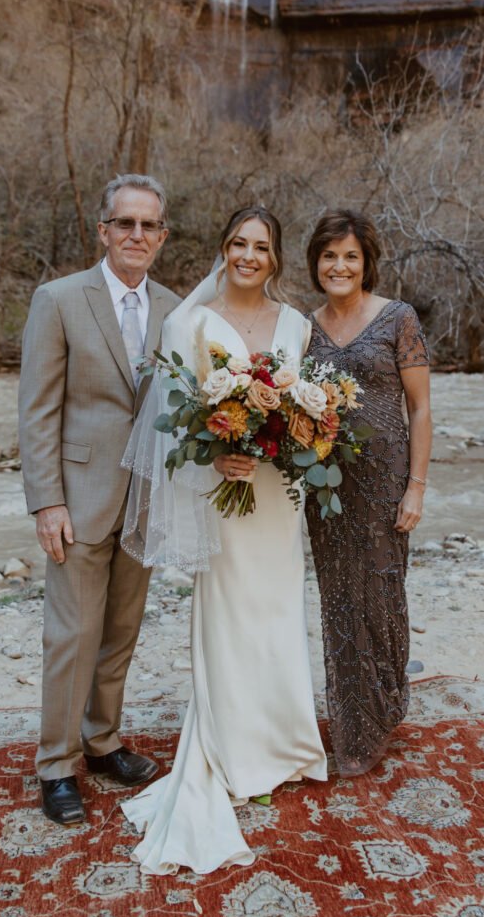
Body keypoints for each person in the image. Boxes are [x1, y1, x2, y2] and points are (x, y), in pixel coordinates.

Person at [119, 207, 327, 874]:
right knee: (231, 614)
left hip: (276, 497)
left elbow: (313, 411)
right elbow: (171, 422)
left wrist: (295, 438)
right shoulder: (188, 322)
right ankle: (232, 749)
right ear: (222, 249)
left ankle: (286, 747)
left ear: (275, 257)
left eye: (260, 246)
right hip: (228, 491)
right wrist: (216, 457)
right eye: (237, 243)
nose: (247, 255)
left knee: (277, 612)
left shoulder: (297, 325)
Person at [18, 173, 180, 826]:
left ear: (161, 237)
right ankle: (56, 765)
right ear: (104, 231)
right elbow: (36, 409)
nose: (136, 235)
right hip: (78, 501)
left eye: (149, 225)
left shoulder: (176, 308)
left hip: (146, 500)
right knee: (71, 635)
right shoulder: (58, 300)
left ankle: (102, 739)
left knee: (119, 633)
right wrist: (46, 501)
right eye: (125, 223)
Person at [303, 209, 432, 777]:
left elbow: (421, 407)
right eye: (329, 255)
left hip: (385, 483)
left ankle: (384, 703)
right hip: (326, 485)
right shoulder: (302, 327)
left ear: (366, 262)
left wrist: (416, 488)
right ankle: (353, 728)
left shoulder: (397, 318)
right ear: (316, 263)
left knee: (381, 596)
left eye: (350, 256)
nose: (340, 265)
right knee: (339, 601)